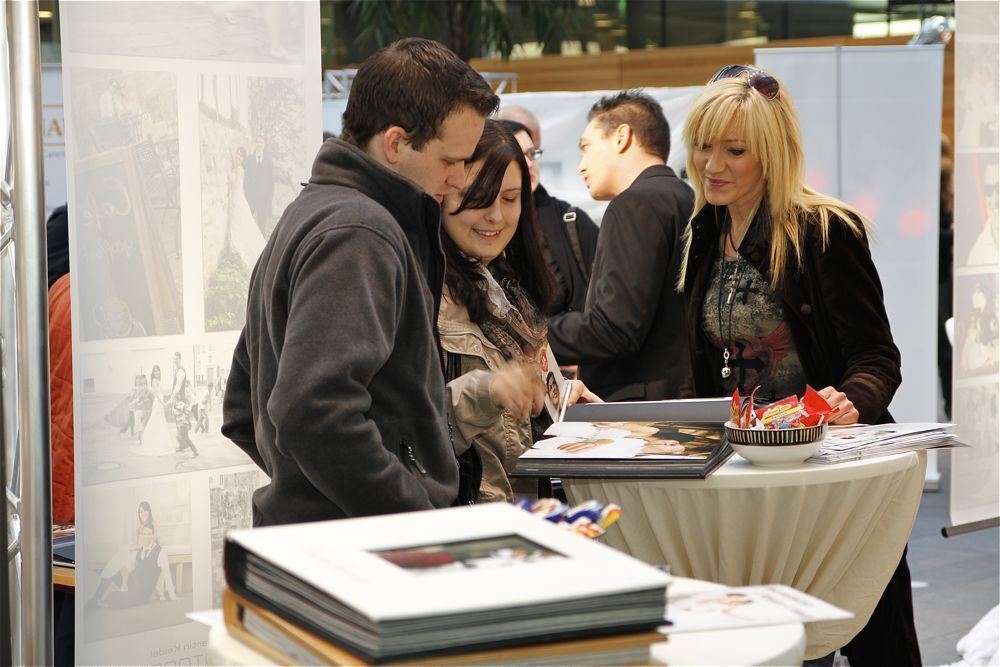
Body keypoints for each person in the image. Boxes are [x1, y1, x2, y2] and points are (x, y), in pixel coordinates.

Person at [679, 63, 917, 665]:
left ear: (772, 153)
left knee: (866, 631)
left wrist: (850, 400)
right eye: (704, 146)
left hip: (830, 475)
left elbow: (876, 356)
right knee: (768, 635)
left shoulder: (822, 230)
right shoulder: (701, 233)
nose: (713, 165)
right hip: (750, 479)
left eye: (734, 150)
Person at [222, 38, 499, 525]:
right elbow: (313, 411)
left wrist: (307, 488)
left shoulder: (315, 214)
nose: (460, 180)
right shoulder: (359, 233)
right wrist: (408, 513)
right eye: (451, 160)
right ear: (395, 143)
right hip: (357, 551)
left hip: (327, 540)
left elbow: (244, 406)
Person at [438, 120, 599, 502]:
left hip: (527, 511)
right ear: (443, 191)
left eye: (510, 199)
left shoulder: (507, 284)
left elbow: (525, 405)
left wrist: (559, 399)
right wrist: (488, 390)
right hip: (466, 521)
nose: (495, 217)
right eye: (478, 198)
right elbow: (406, 423)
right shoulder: (421, 290)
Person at [546, 91, 695, 401]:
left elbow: (615, 328)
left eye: (586, 148)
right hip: (683, 396)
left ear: (622, 137)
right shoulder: (687, 198)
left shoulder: (634, 204)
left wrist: (534, 335)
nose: (581, 167)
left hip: (640, 411)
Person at [495, 107, 600, 317]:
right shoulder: (479, 223)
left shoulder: (570, 220)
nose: (528, 164)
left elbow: (604, 315)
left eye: (532, 154)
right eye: (517, 154)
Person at [87, 502, 177, 608]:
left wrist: (136, 548)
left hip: (143, 553)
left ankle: (114, 589)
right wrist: (130, 548)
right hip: (137, 551)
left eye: (144, 511)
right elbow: (135, 543)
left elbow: (153, 543)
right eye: (140, 512)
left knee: (122, 558)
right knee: (118, 562)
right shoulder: (139, 527)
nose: (142, 513)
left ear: (149, 511)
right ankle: (98, 596)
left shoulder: (154, 526)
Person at [130, 365, 175, 457]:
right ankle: (149, 440)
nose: (157, 373)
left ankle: (161, 442)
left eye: (158, 371)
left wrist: (169, 396)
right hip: (158, 404)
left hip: (161, 403)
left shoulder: (159, 381)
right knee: (156, 422)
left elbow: (162, 392)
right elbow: (157, 395)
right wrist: (163, 403)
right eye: (155, 371)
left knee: (161, 422)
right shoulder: (154, 381)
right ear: (153, 373)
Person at [242, 135, 275, 234]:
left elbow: (270, 181)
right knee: (248, 220)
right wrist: (247, 194)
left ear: (264, 145)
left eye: (261, 142)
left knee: (262, 222)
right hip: (251, 197)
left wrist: (269, 197)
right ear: (255, 144)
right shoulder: (249, 159)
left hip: (263, 198)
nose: (259, 144)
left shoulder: (268, 161)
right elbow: (246, 178)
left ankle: (261, 243)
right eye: (258, 142)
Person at [169, 352, 198, 458]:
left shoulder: (180, 370)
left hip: (179, 399)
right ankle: (182, 445)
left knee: (184, 435)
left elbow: (177, 387)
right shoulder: (176, 369)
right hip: (178, 402)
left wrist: (172, 398)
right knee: (179, 432)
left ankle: (194, 450)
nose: (175, 360)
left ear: (180, 359)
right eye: (174, 359)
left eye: (176, 359)